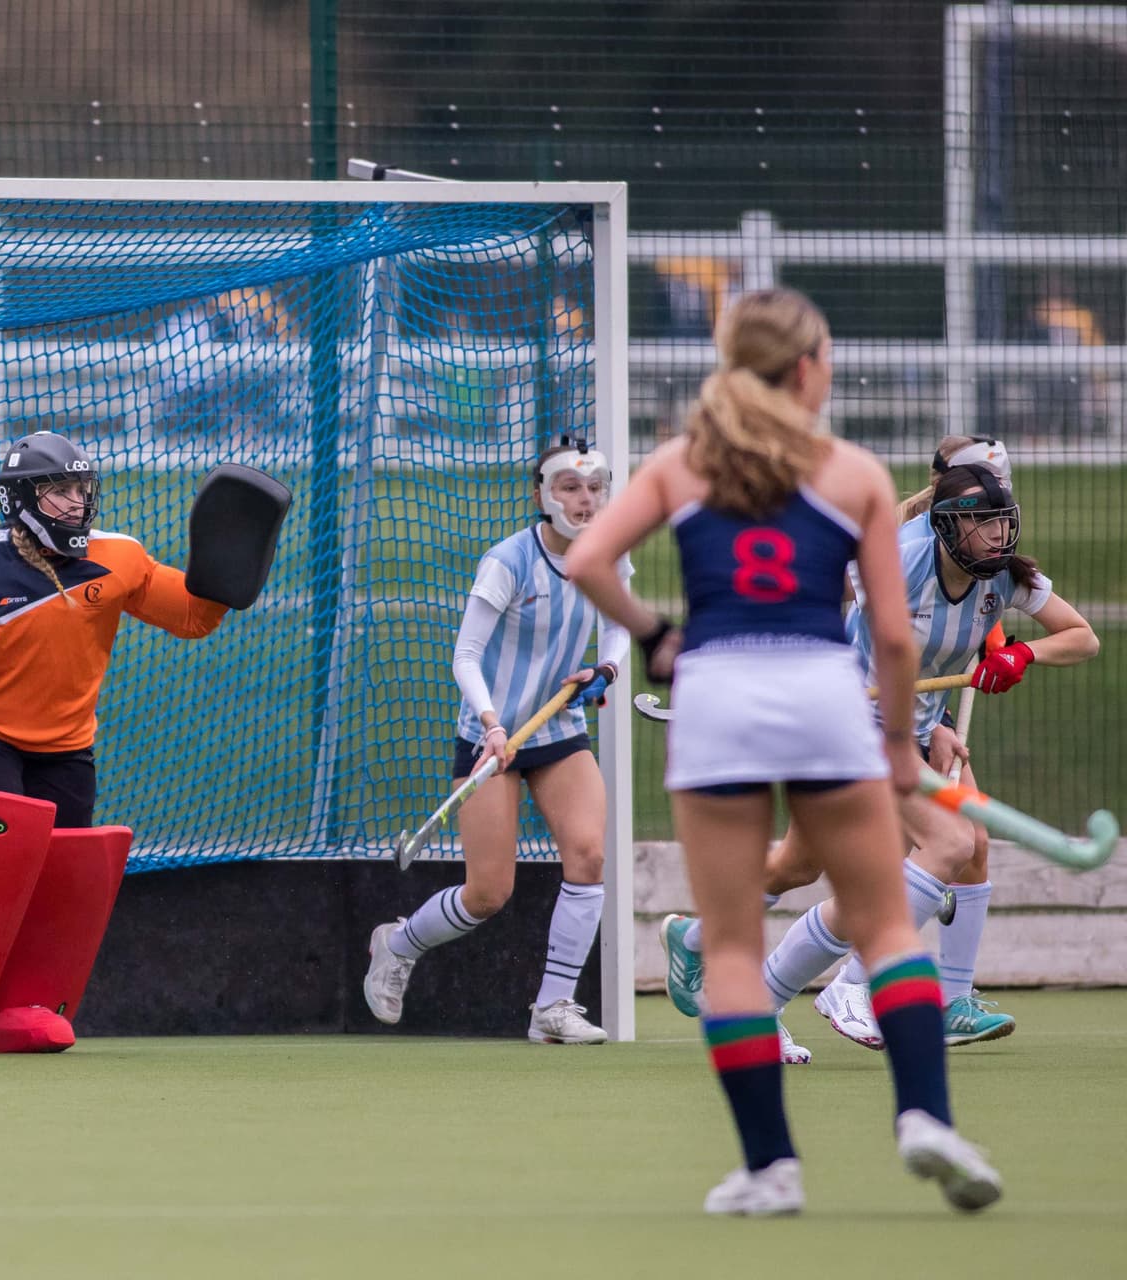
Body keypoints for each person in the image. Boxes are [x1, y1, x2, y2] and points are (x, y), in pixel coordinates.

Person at [564, 288, 1001, 1215]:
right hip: (820, 691)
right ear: (805, 370)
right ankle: (925, 1117)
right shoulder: (852, 473)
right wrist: (892, 744)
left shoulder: (683, 463)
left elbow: (587, 560)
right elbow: (890, 633)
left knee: (729, 946)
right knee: (884, 924)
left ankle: (771, 1167)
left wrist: (656, 637)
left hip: (718, 694)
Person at [0, 431, 281, 1055]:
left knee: (58, 874)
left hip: (66, 745)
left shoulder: (121, 557)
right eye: (57, 491)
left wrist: (224, 566)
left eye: (81, 489)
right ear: (20, 499)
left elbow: (192, 617)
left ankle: (22, 1004)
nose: (75, 503)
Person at [663, 435, 1099, 1052]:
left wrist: (1024, 652)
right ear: (948, 527)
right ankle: (855, 985)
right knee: (948, 842)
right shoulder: (896, 559)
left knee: (808, 866)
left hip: (907, 731)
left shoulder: (1002, 575)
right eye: (983, 525)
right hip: (844, 725)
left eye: (1004, 524)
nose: (998, 538)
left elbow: (1082, 638)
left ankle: (730, 972)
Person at [361, 438, 627, 1045]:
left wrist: (604, 672)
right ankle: (396, 944)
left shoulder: (609, 552)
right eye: (569, 488)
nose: (584, 500)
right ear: (541, 494)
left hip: (559, 729)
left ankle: (553, 1008)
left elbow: (618, 624)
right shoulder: (508, 561)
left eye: (593, 488)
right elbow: (466, 654)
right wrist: (491, 723)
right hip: (492, 740)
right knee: (488, 892)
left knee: (588, 855)